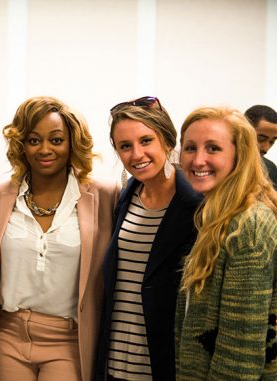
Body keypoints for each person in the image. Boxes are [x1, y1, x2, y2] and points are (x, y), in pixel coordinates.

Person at [0, 96, 119, 381]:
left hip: (69, 339)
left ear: (71, 143)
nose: (45, 150)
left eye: (56, 140)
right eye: (33, 140)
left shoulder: (104, 195)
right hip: (8, 335)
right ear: (21, 144)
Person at [94, 96, 202, 381]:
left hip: (163, 364)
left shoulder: (196, 205)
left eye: (146, 141)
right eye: (125, 146)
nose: (136, 154)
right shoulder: (126, 197)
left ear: (167, 141)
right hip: (116, 362)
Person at [176, 106, 277, 379]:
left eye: (213, 148)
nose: (198, 160)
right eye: (190, 148)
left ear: (239, 154)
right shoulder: (216, 215)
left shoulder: (249, 224)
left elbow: (241, 349)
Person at [244, 105, 277, 186]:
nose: (266, 148)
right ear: (243, 130)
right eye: (261, 139)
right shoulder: (218, 163)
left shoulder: (270, 169)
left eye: (272, 141)